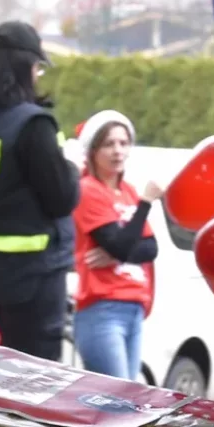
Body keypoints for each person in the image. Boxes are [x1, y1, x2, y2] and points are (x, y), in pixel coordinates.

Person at [0, 20, 80, 361]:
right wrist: (71, 165)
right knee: (38, 378)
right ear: (24, 67)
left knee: (9, 368)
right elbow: (62, 199)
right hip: (35, 275)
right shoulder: (32, 124)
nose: (39, 75)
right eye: (38, 67)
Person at [70, 110, 159, 380]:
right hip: (102, 310)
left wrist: (118, 255)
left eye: (123, 143)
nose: (118, 151)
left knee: (126, 405)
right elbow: (122, 245)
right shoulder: (88, 189)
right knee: (115, 405)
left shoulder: (128, 191)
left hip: (134, 308)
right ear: (93, 150)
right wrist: (145, 204)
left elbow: (151, 248)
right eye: (109, 144)